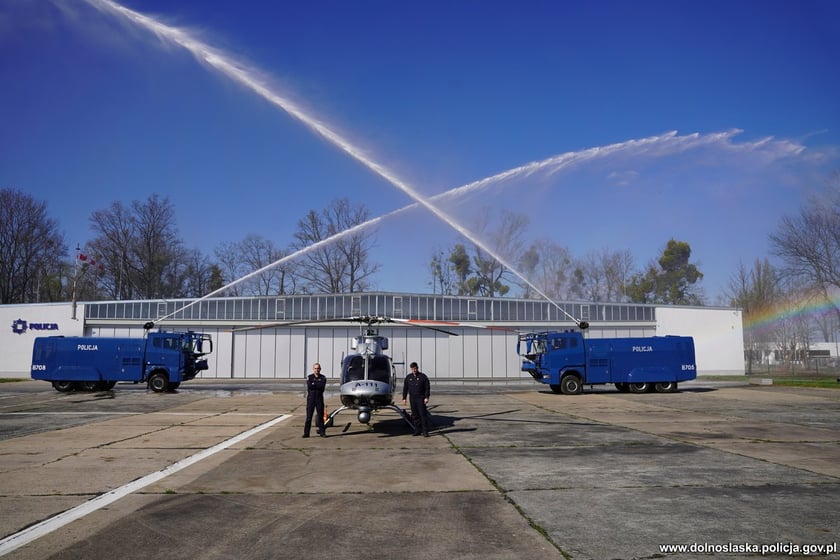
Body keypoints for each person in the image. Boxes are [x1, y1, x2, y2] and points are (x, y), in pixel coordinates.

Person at [402, 362, 432, 436]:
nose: (414, 370)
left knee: (422, 414)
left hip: (420, 398)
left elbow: (427, 388)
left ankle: (425, 431)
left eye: (415, 368)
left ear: (417, 368)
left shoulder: (423, 377)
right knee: (415, 415)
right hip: (412, 398)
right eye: (412, 369)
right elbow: (405, 388)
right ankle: (417, 430)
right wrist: (404, 398)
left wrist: (426, 397)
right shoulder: (409, 377)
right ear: (411, 369)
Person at [303, 362, 327, 438]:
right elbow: (310, 386)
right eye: (315, 368)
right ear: (313, 369)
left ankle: (322, 432)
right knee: (309, 417)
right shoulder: (309, 377)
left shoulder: (323, 377)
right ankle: (306, 433)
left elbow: (322, 387)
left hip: (319, 399)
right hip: (311, 400)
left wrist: (315, 384)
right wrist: (316, 384)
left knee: (320, 417)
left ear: (320, 369)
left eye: (318, 368)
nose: (317, 370)